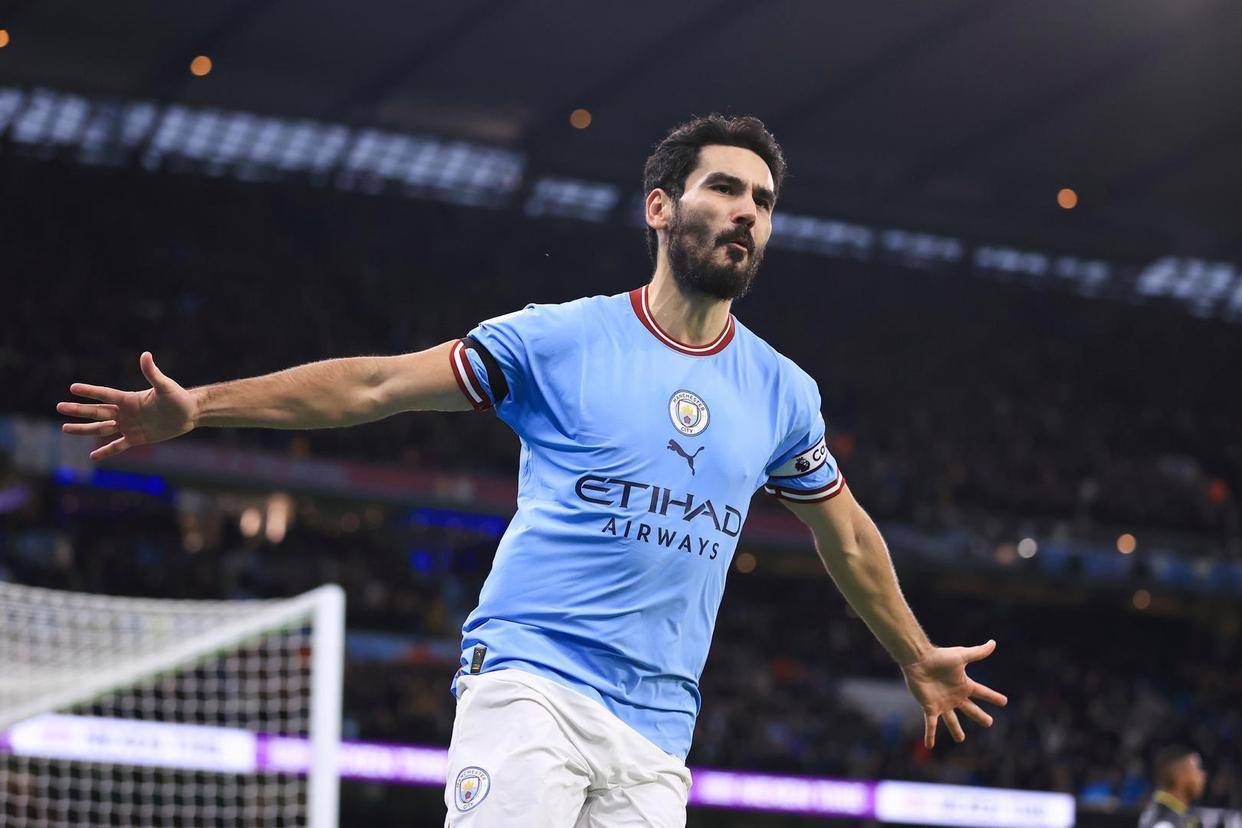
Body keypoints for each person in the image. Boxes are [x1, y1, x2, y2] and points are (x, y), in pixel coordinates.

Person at [58, 114, 1007, 827]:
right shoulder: (558, 339)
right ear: (661, 207)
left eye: (763, 202)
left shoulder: (783, 393)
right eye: (725, 189)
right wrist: (202, 407)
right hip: (533, 680)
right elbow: (378, 385)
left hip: (659, 726)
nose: (747, 214)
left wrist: (913, 651)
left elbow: (845, 533)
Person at [1139, 746, 1208, 828]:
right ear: (1181, 776)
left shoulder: (1180, 814)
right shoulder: (1164, 822)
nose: (1203, 775)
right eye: (1197, 769)